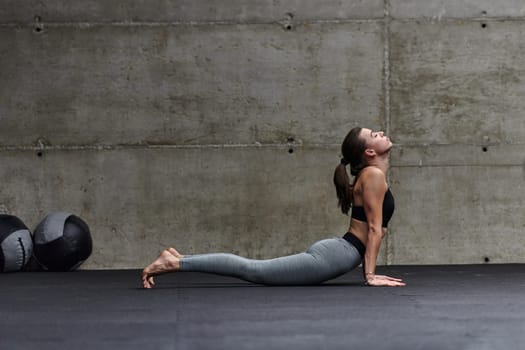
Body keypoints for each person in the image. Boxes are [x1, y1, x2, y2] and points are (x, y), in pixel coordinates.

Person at [141, 127, 406, 288]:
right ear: (369, 152)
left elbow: (374, 229)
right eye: (374, 135)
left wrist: (368, 271)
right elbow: (374, 229)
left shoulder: (371, 176)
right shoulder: (373, 176)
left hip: (340, 251)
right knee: (256, 270)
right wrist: (370, 275)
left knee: (256, 270)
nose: (381, 133)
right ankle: (177, 262)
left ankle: (181, 258)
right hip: (338, 255)